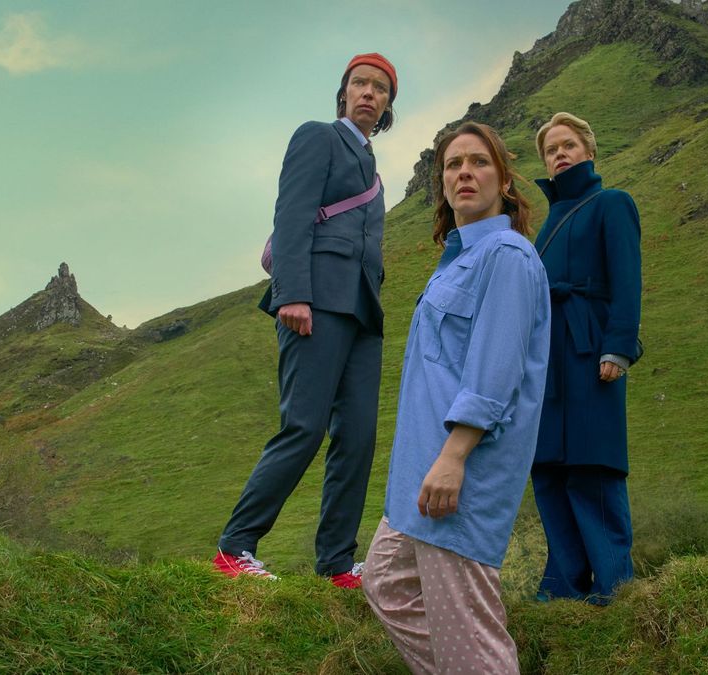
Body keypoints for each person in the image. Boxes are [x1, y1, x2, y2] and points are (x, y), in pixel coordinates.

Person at [362, 122, 550, 674]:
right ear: (441, 182)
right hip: (419, 470)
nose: (464, 172)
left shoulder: (507, 257)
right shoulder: (460, 258)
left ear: (504, 180)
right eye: (452, 164)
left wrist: (454, 458)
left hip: (458, 468)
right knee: (386, 583)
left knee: (469, 632)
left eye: (479, 162)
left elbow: (495, 373)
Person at [211, 53, 397, 588]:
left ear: (387, 106)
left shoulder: (375, 174)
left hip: (363, 313)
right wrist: (293, 293)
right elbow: (291, 214)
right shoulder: (318, 136)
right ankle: (234, 548)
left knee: (358, 437)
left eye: (379, 89)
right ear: (344, 94)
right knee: (305, 427)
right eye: (359, 83)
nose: (368, 93)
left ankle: (337, 563)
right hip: (313, 302)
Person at [530, 112, 642, 605]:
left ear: (589, 152)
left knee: (592, 464)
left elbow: (627, 280)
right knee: (549, 466)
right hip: (546, 359)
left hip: (589, 346)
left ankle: (614, 583)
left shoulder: (612, 204)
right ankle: (563, 585)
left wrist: (617, 346)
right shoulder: (547, 223)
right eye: (552, 149)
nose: (560, 154)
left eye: (568, 144)